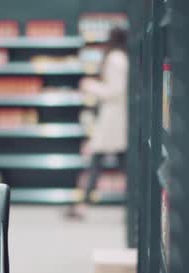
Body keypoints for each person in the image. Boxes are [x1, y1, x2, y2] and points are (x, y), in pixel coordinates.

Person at [66, 27, 129, 219]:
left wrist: (91, 86)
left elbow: (115, 90)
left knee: (99, 161)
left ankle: (83, 205)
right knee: (117, 162)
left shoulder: (115, 59)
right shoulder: (122, 57)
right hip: (115, 117)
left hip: (113, 117)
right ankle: (84, 204)